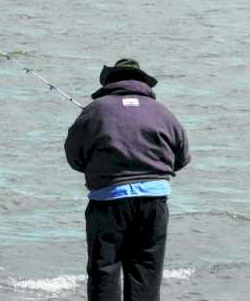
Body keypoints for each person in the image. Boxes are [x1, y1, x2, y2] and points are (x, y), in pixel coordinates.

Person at [65, 58, 190, 301]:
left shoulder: (94, 110)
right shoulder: (163, 112)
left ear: (109, 81)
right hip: (153, 202)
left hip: (109, 202)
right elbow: (182, 158)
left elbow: (74, 157)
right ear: (142, 82)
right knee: (146, 270)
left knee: (104, 270)